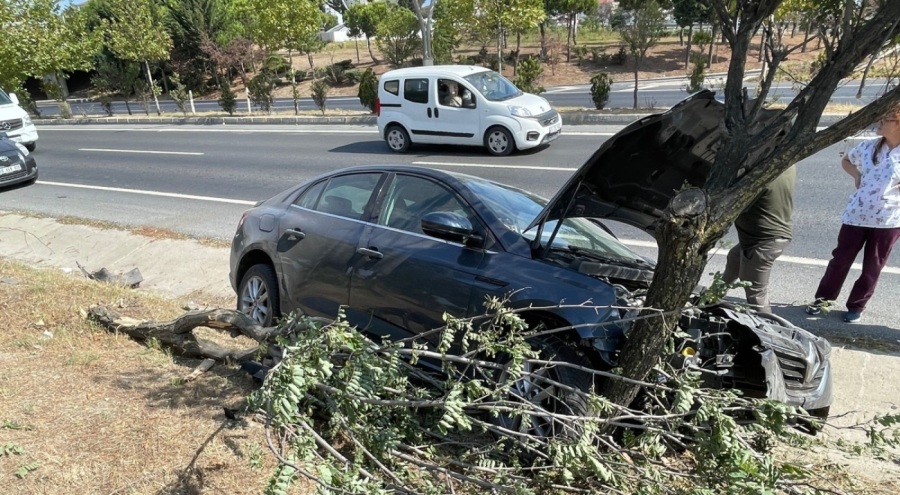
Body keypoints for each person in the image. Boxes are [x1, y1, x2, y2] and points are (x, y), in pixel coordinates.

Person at [806, 106, 900, 323]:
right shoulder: (868, 147)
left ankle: (857, 305)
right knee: (840, 260)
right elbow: (847, 160)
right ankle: (823, 299)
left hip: (889, 220)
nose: (879, 122)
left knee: (873, 266)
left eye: (885, 119)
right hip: (857, 215)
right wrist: (856, 176)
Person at [722, 166, 797, 314]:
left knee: (756, 293)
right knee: (734, 258)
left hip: (763, 242)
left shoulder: (760, 178)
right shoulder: (787, 165)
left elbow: (731, 204)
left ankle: (767, 328)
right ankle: (711, 300)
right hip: (765, 237)